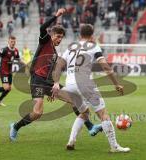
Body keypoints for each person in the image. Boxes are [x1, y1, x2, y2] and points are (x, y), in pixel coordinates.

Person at [9, 8, 102, 142]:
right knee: (37, 113)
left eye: (61, 37)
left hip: (48, 82)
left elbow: (52, 72)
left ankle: (90, 127)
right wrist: (56, 16)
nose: (59, 39)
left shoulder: (55, 54)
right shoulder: (45, 41)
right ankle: (16, 126)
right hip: (37, 80)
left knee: (74, 99)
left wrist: (54, 87)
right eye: (57, 36)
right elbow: (42, 27)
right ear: (51, 35)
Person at [51, 24, 130, 153]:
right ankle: (114, 147)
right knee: (103, 114)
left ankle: (71, 141)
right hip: (85, 83)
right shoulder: (94, 46)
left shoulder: (71, 46)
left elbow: (59, 64)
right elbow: (105, 67)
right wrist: (116, 84)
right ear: (92, 35)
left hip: (70, 85)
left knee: (84, 113)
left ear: (79, 35)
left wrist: (56, 82)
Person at [0, 36, 22, 106]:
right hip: (3, 72)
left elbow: (19, 60)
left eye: (14, 42)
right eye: (11, 42)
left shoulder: (16, 51)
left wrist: (27, 64)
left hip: (9, 72)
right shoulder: (4, 50)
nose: (13, 43)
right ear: (8, 41)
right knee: (6, 87)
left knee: (9, 88)